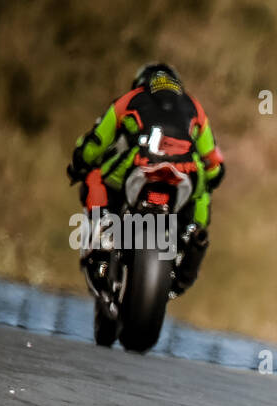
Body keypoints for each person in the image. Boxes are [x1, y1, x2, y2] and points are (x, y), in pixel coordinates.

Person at [66, 63, 224, 313]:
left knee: (95, 175)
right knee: (204, 188)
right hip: (186, 172)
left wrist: (78, 164)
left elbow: (95, 143)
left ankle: (103, 229)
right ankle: (194, 235)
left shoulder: (129, 100)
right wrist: (212, 178)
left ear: (142, 82)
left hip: (142, 163)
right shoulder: (194, 106)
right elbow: (214, 163)